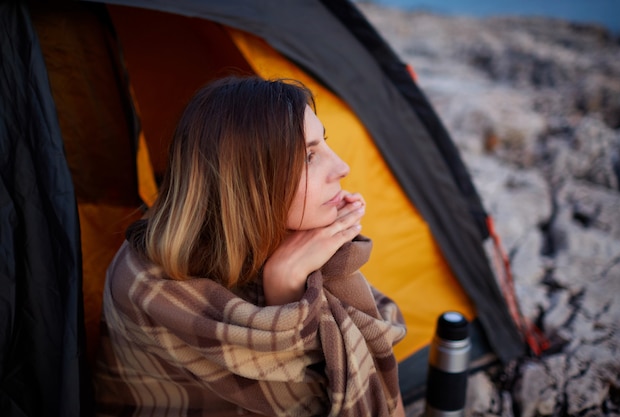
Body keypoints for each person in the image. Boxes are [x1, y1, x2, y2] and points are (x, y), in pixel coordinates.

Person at [93, 76, 407, 416]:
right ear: (246, 181)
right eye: (308, 156)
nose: (342, 167)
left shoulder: (269, 235)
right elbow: (308, 403)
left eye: (324, 143)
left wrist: (308, 269)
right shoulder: (147, 286)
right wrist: (285, 284)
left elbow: (367, 336)